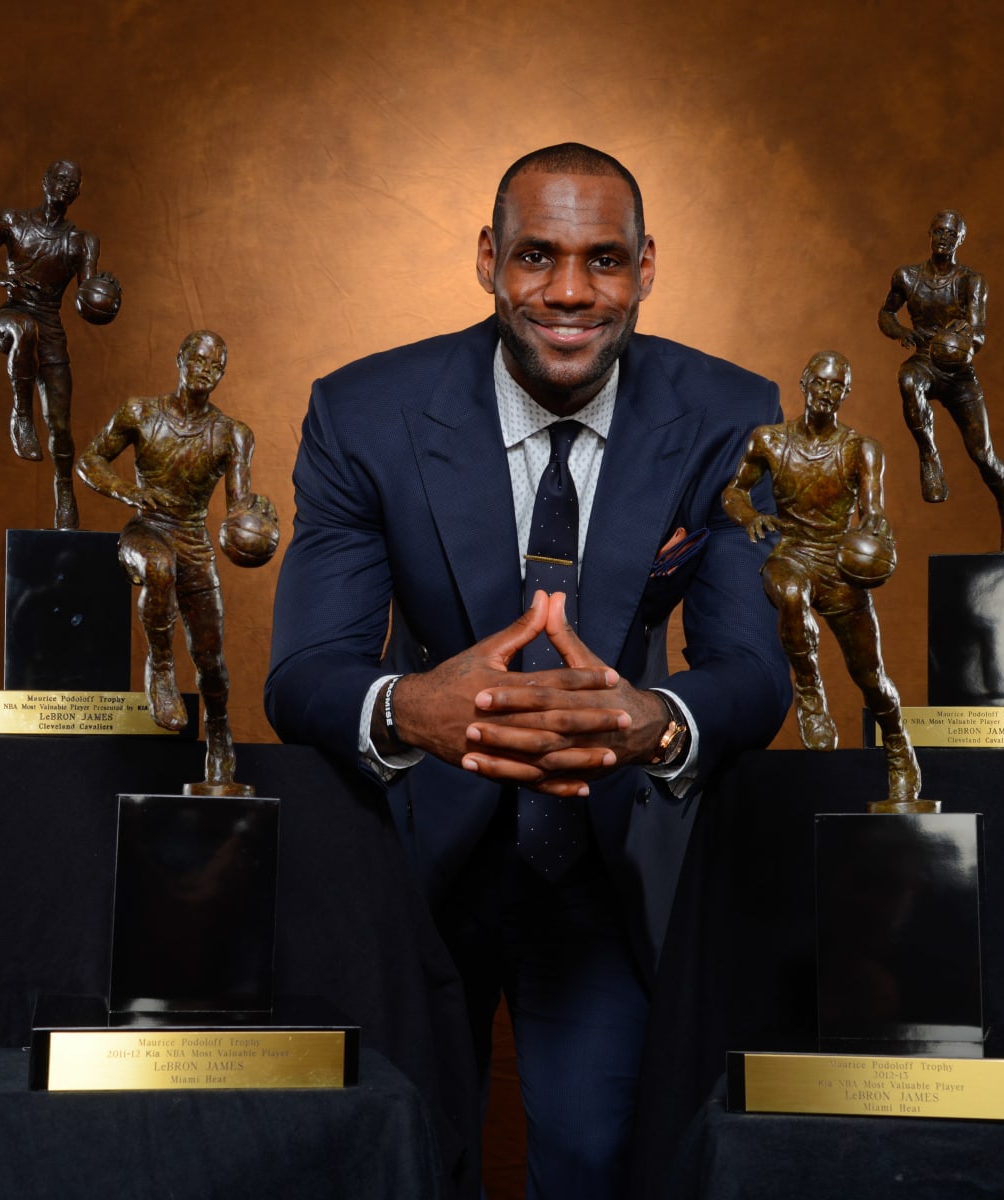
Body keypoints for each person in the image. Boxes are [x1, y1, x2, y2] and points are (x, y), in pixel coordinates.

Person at [265, 144, 791, 1198]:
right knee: (404, 1163)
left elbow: (752, 672)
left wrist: (657, 719)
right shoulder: (365, 413)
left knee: (597, 1163)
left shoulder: (729, 415)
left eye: (604, 260)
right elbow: (305, 671)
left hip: (601, 859)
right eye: (537, 255)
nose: (569, 291)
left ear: (646, 268)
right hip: (411, 854)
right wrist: (409, 707)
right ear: (487, 260)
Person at [721, 350, 922, 805]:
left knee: (871, 678)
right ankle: (809, 692)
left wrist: (877, 532)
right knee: (791, 594)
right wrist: (750, 516)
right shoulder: (769, 440)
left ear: (845, 393)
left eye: (836, 386)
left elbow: (872, 510)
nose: (826, 392)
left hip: (839, 563)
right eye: (820, 382)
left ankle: (899, 747)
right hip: (792, 553)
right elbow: (734, 491)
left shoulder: (860, 449)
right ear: (804, 382)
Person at [78, 330, 272, 791]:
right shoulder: (140, 413)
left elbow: (238, 509)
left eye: (216, 366)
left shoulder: (231, 434)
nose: (206, 371)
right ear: (180, 359)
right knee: (158, 568)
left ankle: (219, 732)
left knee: (211, 661)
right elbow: (90, 460)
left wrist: (258, 522)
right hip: (146, 531)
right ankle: (161, 666)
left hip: (193, 542)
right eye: (199, 360)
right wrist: (127, 491)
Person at [0, 159, 116, 530]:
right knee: (24, 329)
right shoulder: (12, 221)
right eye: (59, 178)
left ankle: (64, 489)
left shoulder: (81, 242)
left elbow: (86, 300)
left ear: (77, 193)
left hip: (50, 327)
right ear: (45, 181)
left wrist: (107, 295)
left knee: (60, 425)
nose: (65, 186)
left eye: (72, 183)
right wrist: (2, 279)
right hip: (12, 315)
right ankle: (22, 415)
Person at [878, 210, 1004, 552]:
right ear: (929, 234)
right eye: (939, 231)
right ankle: (929, 456)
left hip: (959, 371)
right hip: (925, 360)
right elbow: (886, 312)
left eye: (951, 234)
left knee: (983, 454)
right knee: (907, 379)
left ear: (961, 239)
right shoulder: (907, 276)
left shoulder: (971, 281)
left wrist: (962, 343)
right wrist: (901, 331)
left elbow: (978, 333)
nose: (944, 238)